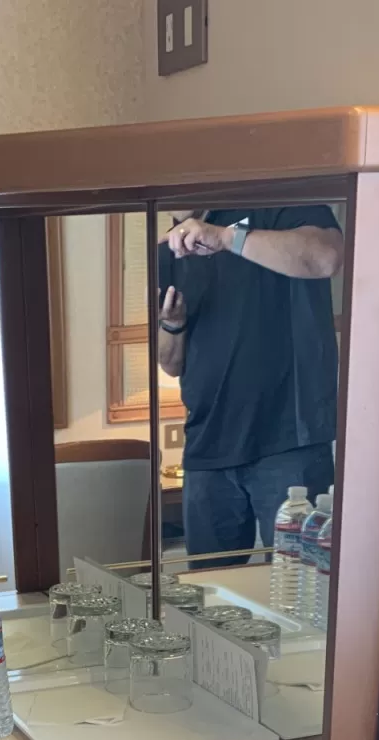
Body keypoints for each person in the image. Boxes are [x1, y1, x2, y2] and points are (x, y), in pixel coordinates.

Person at [158, 208, 343, 563]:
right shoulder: (169, 249)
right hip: (206, 447)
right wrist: (173, 324)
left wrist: (225, 237)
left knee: (300, 582)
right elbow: (171, 363)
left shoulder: (275, 204)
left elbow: (327, 258)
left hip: (290, 443)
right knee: (210, 590)